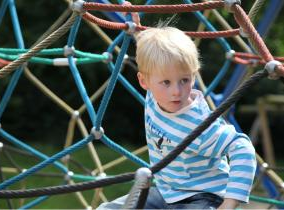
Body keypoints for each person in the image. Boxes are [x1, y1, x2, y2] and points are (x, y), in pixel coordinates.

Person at [97, 6, 256, 210]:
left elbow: (242, 147)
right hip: (166, 192)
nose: (177, 92)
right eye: (166, 82)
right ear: (144, 82)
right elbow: (154, 60)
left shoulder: (200, 124)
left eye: (184, 80)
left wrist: (229, 204)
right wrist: (137, 31)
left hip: (203, 197)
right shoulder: (153, 95)